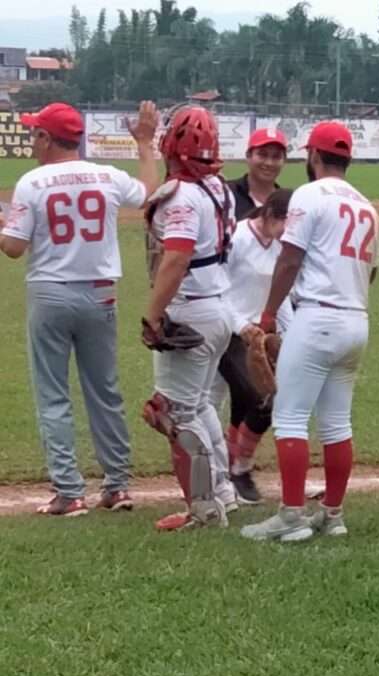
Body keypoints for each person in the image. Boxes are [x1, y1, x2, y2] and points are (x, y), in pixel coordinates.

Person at [0, 101, 158, 516]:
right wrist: (144, 144)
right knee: (104, 391)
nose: (33, 140)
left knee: (53, 395)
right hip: (100, 291)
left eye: (36, 133)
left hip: (51, 292)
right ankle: (118, 486)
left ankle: (69, 492)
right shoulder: (105, 175)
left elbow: (14, 248)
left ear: (47, 138)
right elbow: (149, 195)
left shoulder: (33, 183)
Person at [240, 121, 379, 542]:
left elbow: (289, 260)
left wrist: (267, 315)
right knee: (337, 423)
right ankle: (332, 514)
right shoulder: (368, 206)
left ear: (314, 157)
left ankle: (290, 517)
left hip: (317, 317)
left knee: (290, 417)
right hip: (356, 319)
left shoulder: (308, 195)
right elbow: (371, 273)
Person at [141, 106, 238, 531]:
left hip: (192, 308)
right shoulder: (217, 188)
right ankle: (222, 493)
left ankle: (202, 508)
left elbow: (177, 256)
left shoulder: (183, 195)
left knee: (173, 413)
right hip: (218, 307)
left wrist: (152, 314)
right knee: (199, 405)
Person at [217, 188, 294, 504]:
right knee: (258, 395)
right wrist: (240, 325)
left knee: (258, 401)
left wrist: (290, 335)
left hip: (261, 337)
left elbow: (282, 292)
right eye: (286, 225)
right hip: (229, 331)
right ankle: (237, 469)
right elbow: (218, 288)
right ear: (271, 215)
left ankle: (234, 467)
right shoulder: (237, 238)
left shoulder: (280, 246)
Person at [227, 128, 287, 220]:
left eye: (276, 156)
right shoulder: (226, 193)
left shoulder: (286, 202)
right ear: (248, 156)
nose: (269, 163)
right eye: (262, 154)